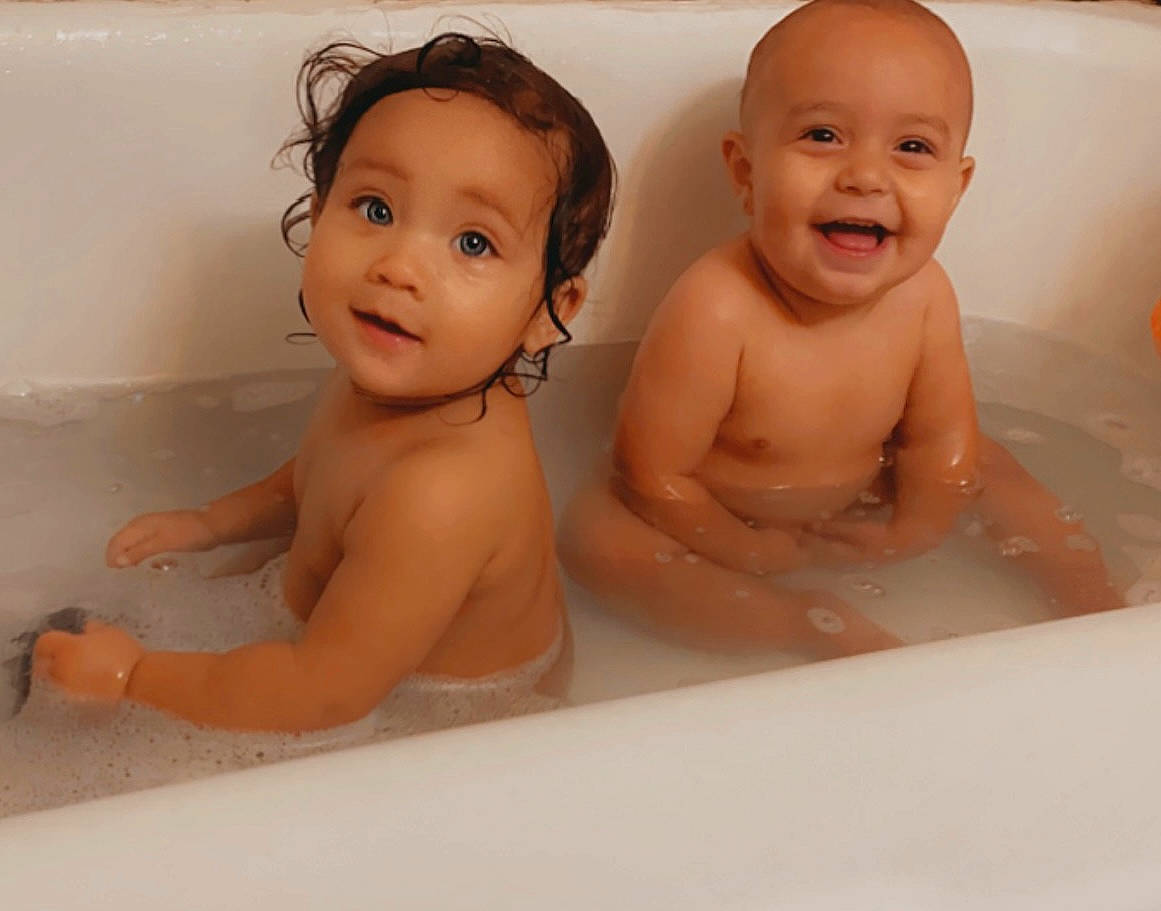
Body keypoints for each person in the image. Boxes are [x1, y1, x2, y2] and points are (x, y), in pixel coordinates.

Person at [32, 33, 615, 731]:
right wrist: (211, 522)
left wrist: (133, 675)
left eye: (472, 242)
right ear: (318, 215)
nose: (398, 266)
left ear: (551, 310)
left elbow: (319, 694)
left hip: (452, 728)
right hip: (342, 652)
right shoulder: (406, 379)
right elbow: (318, 476)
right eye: (375, 209)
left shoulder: (442, 493)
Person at [558, 0, 1119, 659]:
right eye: (822, 136)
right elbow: (651, 472)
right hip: (710, 514)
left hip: (860, 493)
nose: (863, 176)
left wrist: (915, 524)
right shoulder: (716, 306)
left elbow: (942, 442)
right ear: (745, 172)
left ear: (956, 186)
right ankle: (807, 627)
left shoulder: (924, 294)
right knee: (596, 537)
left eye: (912, 147)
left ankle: (1094, 602)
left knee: (988, 463)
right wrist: (741, 546)